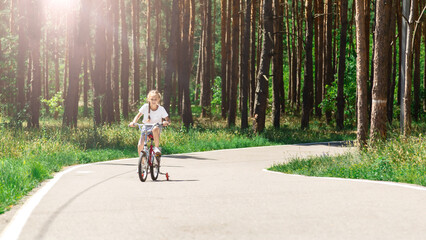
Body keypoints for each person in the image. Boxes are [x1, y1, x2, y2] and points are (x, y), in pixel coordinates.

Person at [129, 90, 170, 156]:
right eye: (152, 99)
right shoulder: (145, 107)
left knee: (155, 128)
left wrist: (166, 122)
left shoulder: (161, 109)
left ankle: (156, 148)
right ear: (148, 99)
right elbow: (138, 115)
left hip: (157, 127)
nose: (153, 101)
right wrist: (133, 122)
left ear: (158, 100)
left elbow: (168, 119)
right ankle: (142, 163)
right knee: (140, 145)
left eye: (155, 99)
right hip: (146, 127)